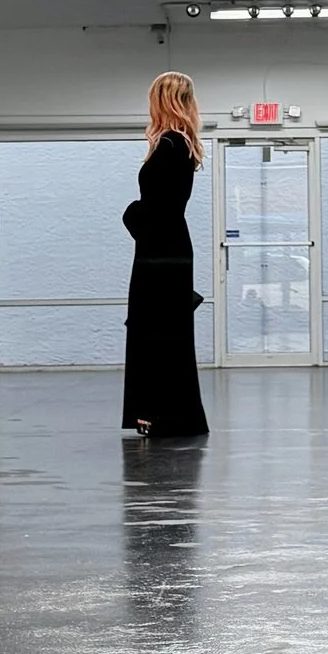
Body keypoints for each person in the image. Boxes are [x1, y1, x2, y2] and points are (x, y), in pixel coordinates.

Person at [121, 72, 209, 439]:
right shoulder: (184, 146)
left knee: (153, 332)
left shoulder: (169, 146)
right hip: (171, 249)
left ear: (161, 100)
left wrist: (131, 213)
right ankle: (168, 414)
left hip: (159, 253)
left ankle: (159, 414)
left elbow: (156, 210)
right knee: (167, 332)